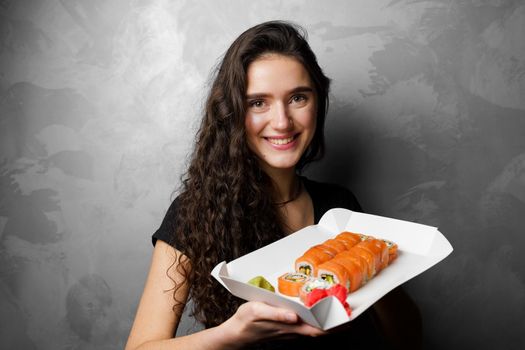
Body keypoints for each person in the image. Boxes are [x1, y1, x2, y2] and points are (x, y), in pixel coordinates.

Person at [125, 20, 422, 350]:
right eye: (257, 102)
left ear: (318, 102)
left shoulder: (342, 208)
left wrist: (373, 268)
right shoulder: (193, 212)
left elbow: (407, 337)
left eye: (297, 98)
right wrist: (232, 335)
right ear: (232, 112)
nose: (282, 122)